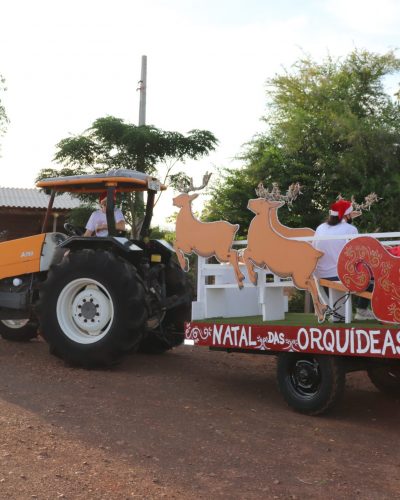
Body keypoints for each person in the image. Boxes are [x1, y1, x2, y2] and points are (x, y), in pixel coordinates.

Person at [313, 198, 374, 320]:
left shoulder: (320, 228)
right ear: (347, 215)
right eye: (350, 213)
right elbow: (359, 255)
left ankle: (342, 313)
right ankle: (362, 311)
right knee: (374, 277)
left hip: (320, 274)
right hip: (340, 275)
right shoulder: (350, 229)